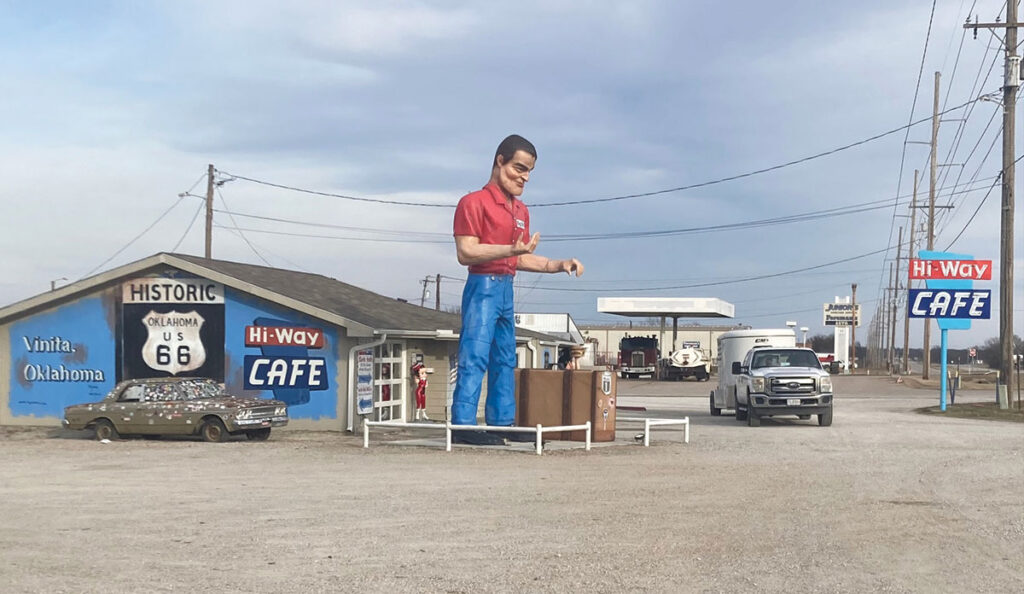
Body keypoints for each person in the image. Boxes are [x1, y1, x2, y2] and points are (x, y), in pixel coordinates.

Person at [451, 134, 584, 445]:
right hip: (482, 285)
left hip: (506, 288)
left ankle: (501, 420)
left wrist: (556, 264)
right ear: (500, 161)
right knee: (475, 355)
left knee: (504, 357)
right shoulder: (473, 202)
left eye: (528, 172)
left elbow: (519, 255)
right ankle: (463, 424)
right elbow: (466, 252)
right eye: (519, 168)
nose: (524, 177)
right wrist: (508, 250)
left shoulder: (521, 211)